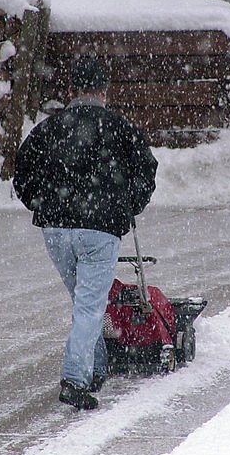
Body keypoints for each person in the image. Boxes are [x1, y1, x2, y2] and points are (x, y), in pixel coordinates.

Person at [13, 57, 158, 410]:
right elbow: (146, 170)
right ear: (104, 93)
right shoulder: (121, 129)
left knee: (85, 304)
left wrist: (42, 205)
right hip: (100, 229)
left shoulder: (48, 129)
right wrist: (128, 207)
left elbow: (23, 172)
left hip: (56, 229)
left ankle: (97, 367)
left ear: (70, 92)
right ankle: (76, 380)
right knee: (90, 307)